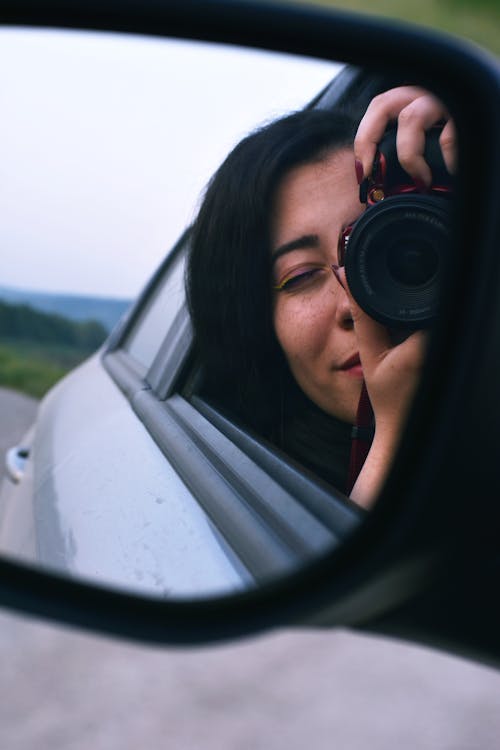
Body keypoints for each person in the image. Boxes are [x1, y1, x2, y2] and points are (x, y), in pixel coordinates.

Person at [187, 86, 455, 509]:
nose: (357, 304)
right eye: (302, 275)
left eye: (390, 247)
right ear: (253, 326)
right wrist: (393, 438)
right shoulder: (266, 497)